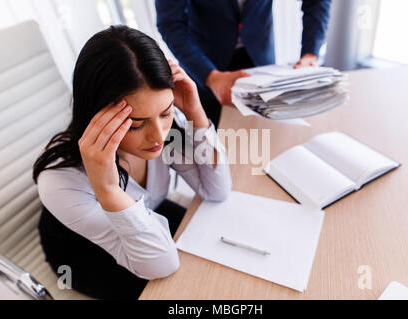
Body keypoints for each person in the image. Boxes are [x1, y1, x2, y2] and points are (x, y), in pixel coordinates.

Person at [32, 25, 231, 300]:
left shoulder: (165, 129)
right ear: (96, 115)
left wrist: (195, 112)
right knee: (185, 292)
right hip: (83, 251)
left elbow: (216, 190)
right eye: (136, 124)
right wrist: (109, 190)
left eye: (166, 112)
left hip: (144, 213)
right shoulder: (59, 180)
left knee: (217, 259)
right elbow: (162, 265)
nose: (159, 135)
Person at [155, 0, 332, 127]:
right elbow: (170, 23)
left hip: (260, 59)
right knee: (221, 142)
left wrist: (310, 53)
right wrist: (210, 76)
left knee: (267, 133)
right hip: (205, 64)